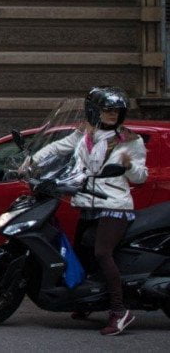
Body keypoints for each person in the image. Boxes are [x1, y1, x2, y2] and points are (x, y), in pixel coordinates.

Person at [25, 86, 148, 336]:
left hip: (114, 204)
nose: (113, 114)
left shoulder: (130, 140)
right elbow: (56, 149)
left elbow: (141, 177)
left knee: (102, 253)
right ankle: (86, 301)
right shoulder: (85, 134)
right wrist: (31, 161)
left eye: (117, 111)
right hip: (86, 201)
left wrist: (129, 166)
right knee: (81, 253)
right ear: (94, 111)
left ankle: (118, 310)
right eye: (107, 110)